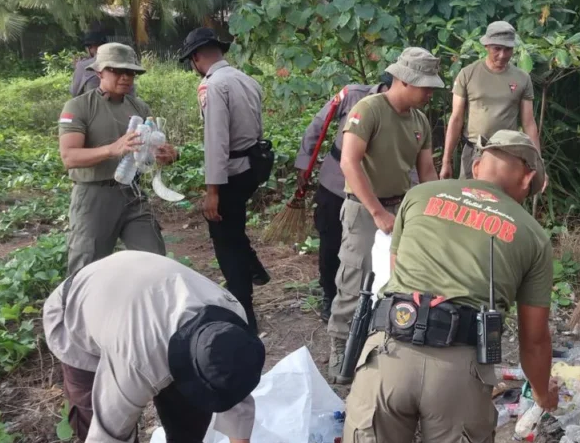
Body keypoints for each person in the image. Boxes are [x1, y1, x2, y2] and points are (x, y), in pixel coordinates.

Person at [342, 130, 556, 443]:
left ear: (475, 166)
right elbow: (533, 339)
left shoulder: (419, 195)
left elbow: (397, 273)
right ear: (528, 179)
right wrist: (541, 393)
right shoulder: (532, 235)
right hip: (459, 372)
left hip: (387, 355)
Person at [43, 251, 264, 443]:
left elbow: (235, 394)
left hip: (139, 297)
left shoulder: (232, 318)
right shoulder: (138, 364)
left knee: (191, 415)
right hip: (77, 313)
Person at [327, 47, 441, 384]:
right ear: (404, 80)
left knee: (399, 280)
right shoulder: (369, 109)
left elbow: (427, 170)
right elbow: (349, 161)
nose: (430, 93)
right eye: (426, 86)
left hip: (401, 207)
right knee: (354, 275)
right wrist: (376, 211)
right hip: (364, 208)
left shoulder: (420, 121)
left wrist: (434, 210)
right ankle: (340, 344)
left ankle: (383, 342)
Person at [294, 72, 418, 321]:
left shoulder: (411, 116)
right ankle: (330, 295)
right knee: (331, 244)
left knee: (373, 253)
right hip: (337, 184)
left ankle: (369, 304)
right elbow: (318, 126)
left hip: (381, 193)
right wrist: (304, 165)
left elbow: (409, 160)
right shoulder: (353, 96)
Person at [58, 43, 177, 275]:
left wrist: (163, 154)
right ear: (100, 71)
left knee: (155, 262)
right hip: (95, 196)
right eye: (117, 70)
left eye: (131, 72)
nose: (125, 77)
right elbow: (69, 156)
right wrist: (112, 149)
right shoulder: (79, 106)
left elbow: (145, 153)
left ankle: (146, 310)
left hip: (132, 194)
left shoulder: (139, 106)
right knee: (87, 268)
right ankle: (77, 310)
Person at [180, 27, 269, 332]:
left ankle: (244, 313)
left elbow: (216, 140)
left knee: (225, 243)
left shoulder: (213, 86)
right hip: (251, 167)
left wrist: (212, 191)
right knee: (235, 225)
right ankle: (255, 268)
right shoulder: (247, 80)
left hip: (230, 172)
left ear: (195, 58)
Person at [441, 20, 537, 179]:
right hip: (474, 151)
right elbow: (456, 119)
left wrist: (536, 163)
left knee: (502, 199)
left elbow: (528, 123)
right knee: (470, 199)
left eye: (508, 49)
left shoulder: (522, 78)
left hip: (508, 153)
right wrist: (446, 160)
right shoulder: (468, 74)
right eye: (497, 49)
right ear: (486, 46)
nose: (502, 55)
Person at [69, 31, 107, 97]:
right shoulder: (119, 61)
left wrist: (78, 68)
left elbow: (74, 92)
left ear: (89, 47)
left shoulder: (83, 65)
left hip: (95, 105)